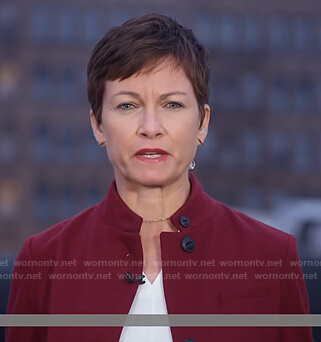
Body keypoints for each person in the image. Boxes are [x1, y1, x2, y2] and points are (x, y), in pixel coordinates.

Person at [6, 13, 312, 342]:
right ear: (98, 125)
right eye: (127, 106)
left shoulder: (271, 256)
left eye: (172, 104)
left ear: (202, 123)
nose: (150, 127)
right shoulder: (44, 260)